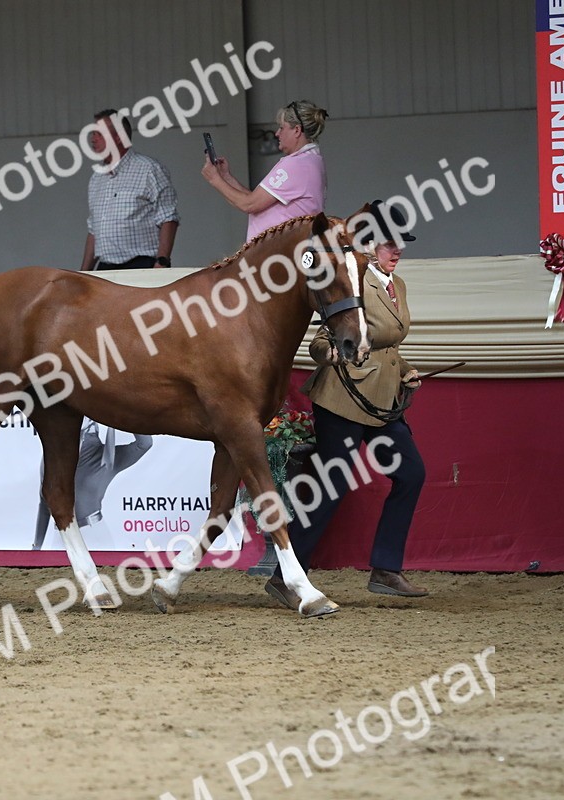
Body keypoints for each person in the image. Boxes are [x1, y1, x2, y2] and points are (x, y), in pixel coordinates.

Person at [265, 199, 429, 608]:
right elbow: (322, 341)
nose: (397, 251)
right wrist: (331, 354)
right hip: (342, 400)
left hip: (381, 404)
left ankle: (385, 569)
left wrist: (405, 370)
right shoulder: (352, 277)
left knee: (411, 474)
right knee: (331, 487)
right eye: (390, 244)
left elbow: (387, 346)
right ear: (370, 245)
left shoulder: (397, 285)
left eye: (401, 243)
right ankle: (285, 576)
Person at [201, 100, 329, 242]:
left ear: (297, 130)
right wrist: (226, 177)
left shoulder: (295, 164)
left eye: (282, 128)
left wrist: (214, 179)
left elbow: (248, 204)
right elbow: (255, 201)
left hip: (279, 250)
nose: (277, 133)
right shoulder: (312, 161)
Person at [79, 109, 179, 271]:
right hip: (106, 268)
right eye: (93, 134)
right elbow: (94, 231)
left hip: (142, 266)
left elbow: (168, 218)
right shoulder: (96, 179)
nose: (93, 139)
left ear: (119, 137)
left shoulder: (149, 169)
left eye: (99, 134)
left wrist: (162, 261)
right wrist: (83, 273)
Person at [33, 419, 153, 551]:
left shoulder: (106, 456)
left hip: (93, 535)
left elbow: (145, 443)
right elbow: (45, 504)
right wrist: (36, 547)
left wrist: (122, 413)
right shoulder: (52, 458)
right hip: (61, 535)